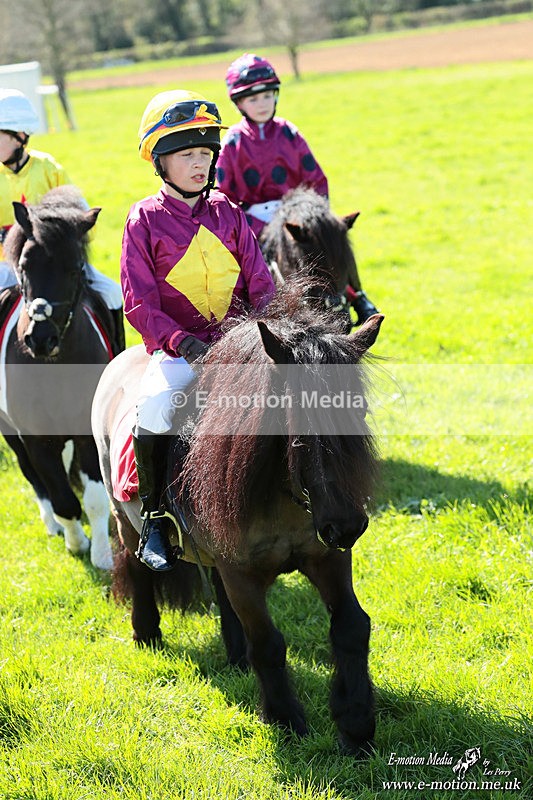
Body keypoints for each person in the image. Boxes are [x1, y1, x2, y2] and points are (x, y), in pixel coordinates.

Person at [121, 89, 276, 572]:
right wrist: (184, 343)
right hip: (177, 354)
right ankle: (154, 518)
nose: (199, 163)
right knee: (158, 408)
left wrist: (265, 333)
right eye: (187, 154)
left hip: (239, 347)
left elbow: (262, 283)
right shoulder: (142, 220)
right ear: (160, 163)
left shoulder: (229, 212)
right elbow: (139, 303)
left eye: (206, 153)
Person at [217, 53, 379, 325]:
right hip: (253, 222)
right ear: (239, 103)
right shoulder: (232, 142)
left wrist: (317, 218)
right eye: (253, 99)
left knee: (333, 240)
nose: (262, 104)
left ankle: (357, 295)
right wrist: (251, 222)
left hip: (295, 217)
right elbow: (222, 194)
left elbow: (317, 180)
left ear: (276, 96)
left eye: (267, 96)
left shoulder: (289, 132)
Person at [0, 88, 123, 345]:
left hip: (57, 261)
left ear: (20, 136)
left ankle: (116, 359)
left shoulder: (48, 168)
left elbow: (81, 215)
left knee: (112, 293)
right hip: (5, 266)